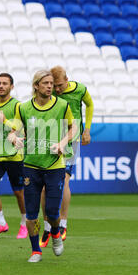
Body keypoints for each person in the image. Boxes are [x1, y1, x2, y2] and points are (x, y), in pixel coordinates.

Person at [8, 70, 77, 262]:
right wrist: (14, 138)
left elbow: (74, 127)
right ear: (36, 86)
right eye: (45, 83)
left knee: (53, 212)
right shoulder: (23, 108)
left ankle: (55, 232)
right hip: (31, 165)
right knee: (31, 213)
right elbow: (12, 131)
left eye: (51, 83)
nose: (49, 86)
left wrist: (63, 143)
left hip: (55, 165)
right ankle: (35, 250)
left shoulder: (62, 105)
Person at [39, 66, 94, 248]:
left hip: (71, 140)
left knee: (64, 181)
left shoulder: (79, 89)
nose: (57, 90)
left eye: (60, 85)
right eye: (54, 86)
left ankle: (62, 224)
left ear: (67, 80)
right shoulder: (49, 92)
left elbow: (90, 104)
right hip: (51, 139)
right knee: (45, 187)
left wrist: (87, 129)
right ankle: (47, 226)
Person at [0, 73, 27, 239]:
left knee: (19, 193)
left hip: (14, 155)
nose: (1, 86)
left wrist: (6, 123)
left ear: (11, 87)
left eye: (5, 83)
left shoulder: (17, 106)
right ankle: (1, 223)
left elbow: (20, 127)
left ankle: (24, 223)